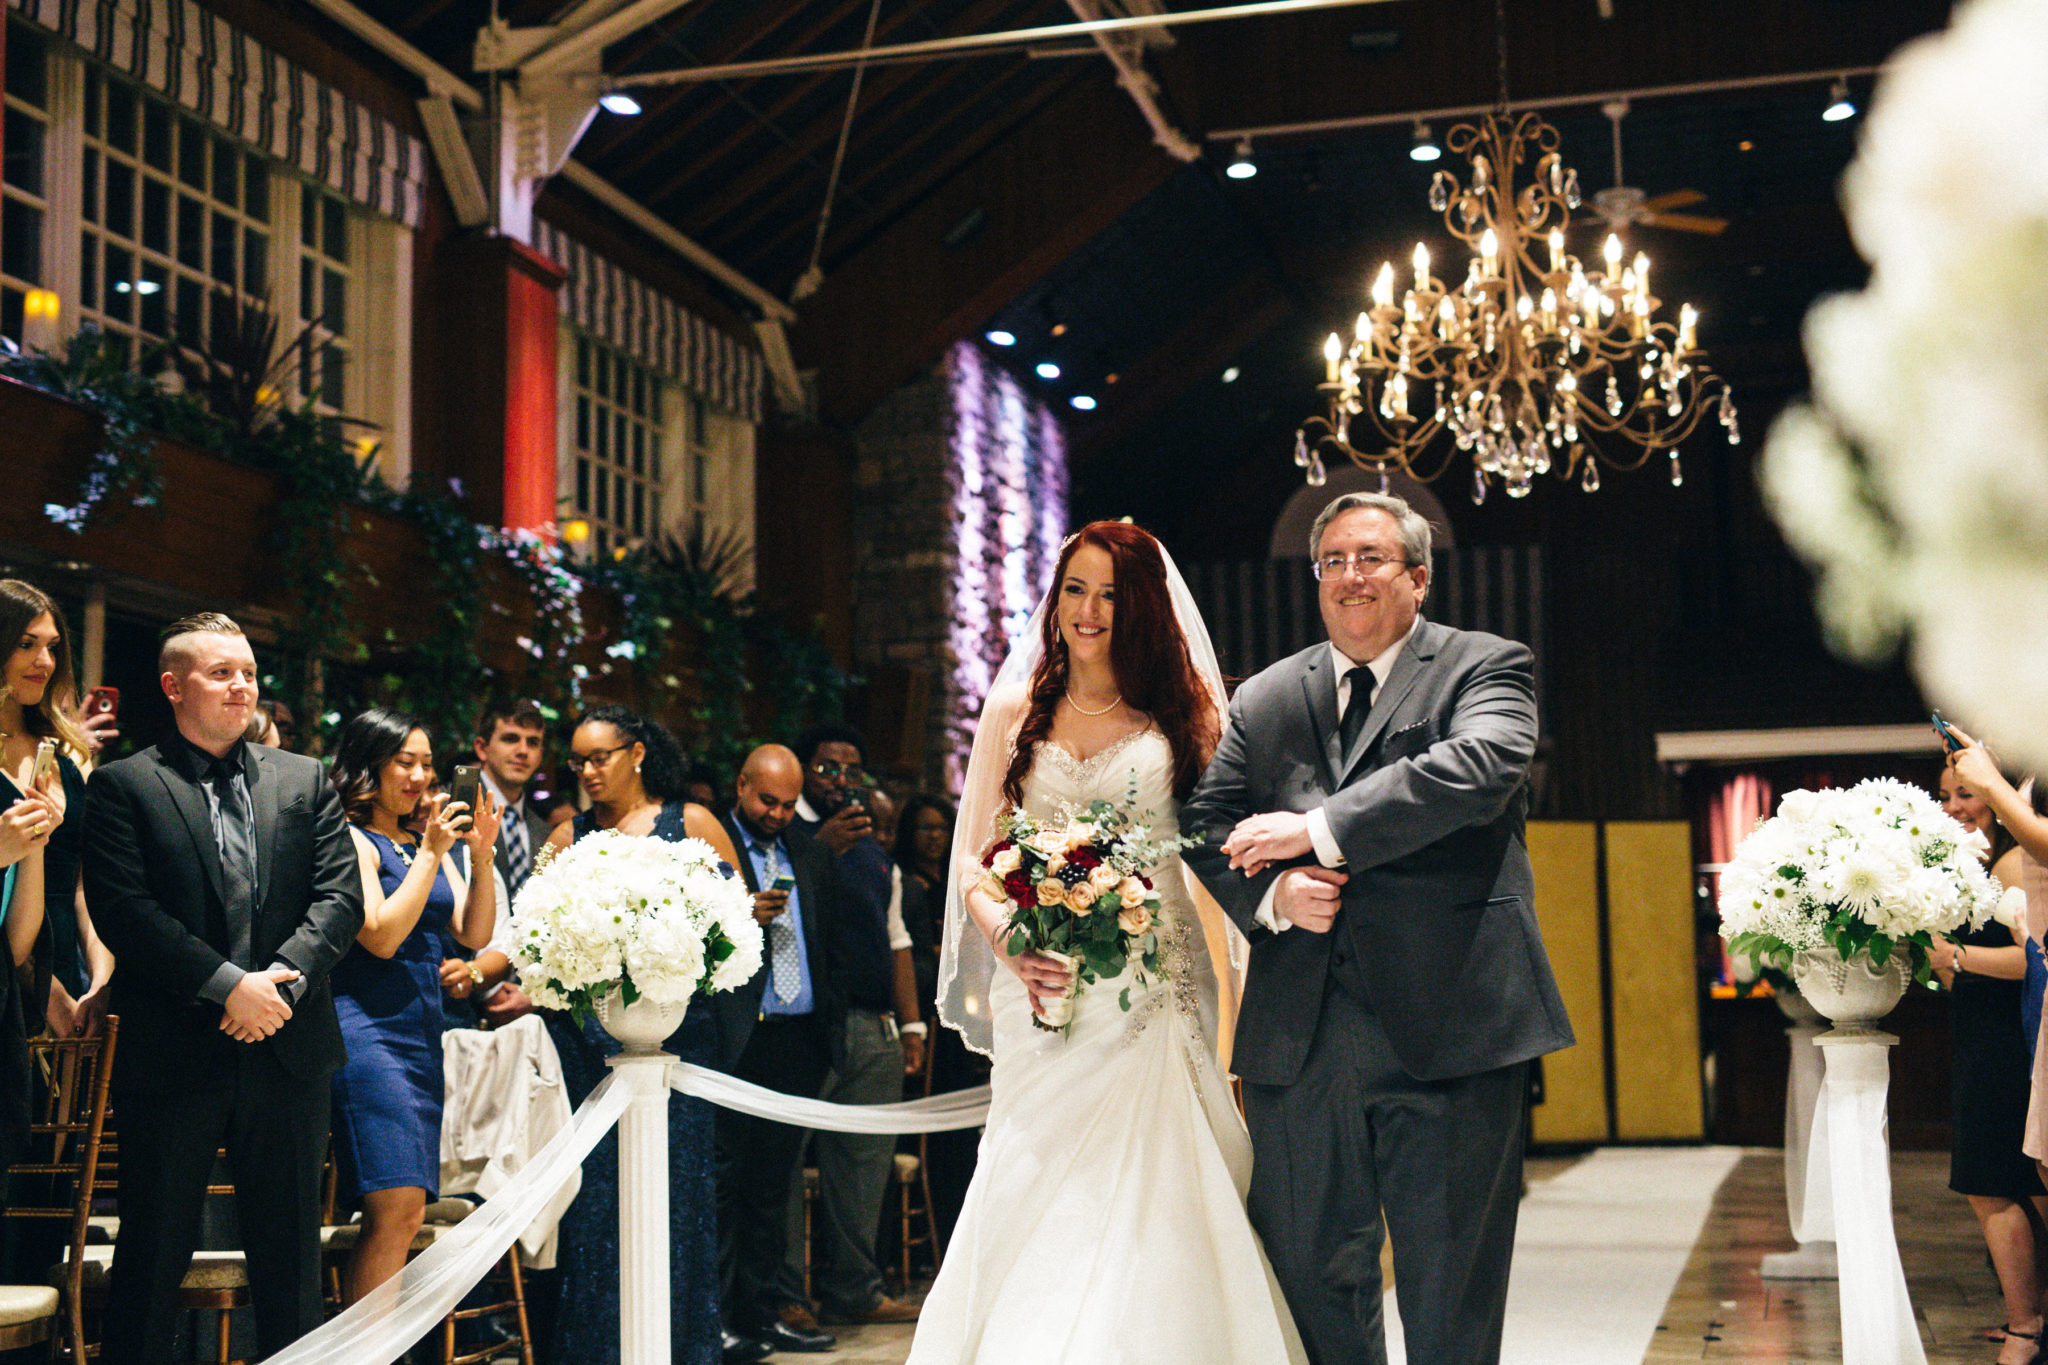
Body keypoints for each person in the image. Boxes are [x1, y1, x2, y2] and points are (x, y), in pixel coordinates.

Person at [1181, 492, 1574, 1365]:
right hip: (1301, 1033)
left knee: (1450, 1289)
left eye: (1371, 558)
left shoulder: (1485, 666)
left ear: (1419, 577)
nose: (1350, 576)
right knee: (1313, 1275)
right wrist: (1276, 897)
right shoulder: (1271, 694)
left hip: (1453, 1023)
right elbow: (1203, 820)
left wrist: (1315, 833)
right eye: (1333, 562)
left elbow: (1480, 766)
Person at [913, 521, 1305, 1363]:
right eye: (1075, 589)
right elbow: (976, 865)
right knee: (1029, 1173)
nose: (1089, 610)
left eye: (1110, 594)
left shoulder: (1185, 711)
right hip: (1043, 981)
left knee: (1158, 1181)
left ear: (1143, 608)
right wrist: (1013, 939)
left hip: (1153, 983)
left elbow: (1219, 848)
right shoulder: (1015, 711)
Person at [82, 612, 363, 1365]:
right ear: (174, 687)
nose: (242, 685)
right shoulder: (124, 785)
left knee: (292, 1267)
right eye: (221, 672)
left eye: (247, 671)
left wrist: (279, 985)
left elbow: (340, 901)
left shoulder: (303, 777)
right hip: (174, 1052)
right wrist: (226, 986)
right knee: (151, 1260)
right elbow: (123, 910)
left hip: (288, 1049)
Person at [543, 704, 742, 1365]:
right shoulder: (566, 833)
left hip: (684, 1033)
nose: (589, 771)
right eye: (578, 761)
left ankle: (679, 1346)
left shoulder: (692, 822)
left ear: (636, 753)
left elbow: (735, 926)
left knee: (676, 1193)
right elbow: (536, 929)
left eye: (600, 756)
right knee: (597, 1201)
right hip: (589, 1045)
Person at [328, 708, 500, 1301]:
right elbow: (379, 934)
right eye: (406, 762)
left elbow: (474, 934)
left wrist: (480, 857)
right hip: (366, 1032)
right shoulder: (352, 839)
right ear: (368, 764)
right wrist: (430, 853)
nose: (421, 776)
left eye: (428, 764)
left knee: (404, 1214)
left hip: (422, 1033)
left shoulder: (421, 840)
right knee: (394, 1210)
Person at [780, 725, 923, 1329]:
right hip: (808, 1022)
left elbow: (896, 939)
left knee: (864, 1165)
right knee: (785, 1161)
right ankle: (785, 1292)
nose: (840, 779)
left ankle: (855, 1288)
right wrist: (818, 847)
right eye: (827, 767)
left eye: (851, 768)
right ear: (805, 770)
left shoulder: (872, 847)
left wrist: (913, 1024)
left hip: (874, 1023)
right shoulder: (787, 831)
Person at [713, 744, 838, 1359]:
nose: (779, 814)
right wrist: (740, 914)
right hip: (742, 1035)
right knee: (726, 1180)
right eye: (768, 800)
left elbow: (827, 935)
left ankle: (763, 1311)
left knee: (773, 1185)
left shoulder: (808, 850)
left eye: (789, 804)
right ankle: (716, 1315)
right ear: (740, 785)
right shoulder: (711, 842)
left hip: (799, 1036)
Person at [1932, 759, 2047, 1364]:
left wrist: (1953, 956)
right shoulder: (1979, 864)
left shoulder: (2009, 863)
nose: (1954, 806)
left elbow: (2034, 959)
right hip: (1986, 1033)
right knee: (2020, 1183)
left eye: (1967, 793)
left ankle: (2025, 1328)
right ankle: (2031, 1321)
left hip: (2007, 1042)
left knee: (1989, 1184)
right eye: (1945, 795)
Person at [0, 581, 114, 1040]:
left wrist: (102, 980)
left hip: (69, 970)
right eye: (26, 644)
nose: (45, 662)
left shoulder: (66, 756)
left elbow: (85, 883)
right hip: (18, 970)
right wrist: (50, 993)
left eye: (52, 647)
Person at [892, 794, 984, 1249]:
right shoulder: (909, 886)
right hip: (930, 1014)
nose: (934, 837)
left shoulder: (953, 880)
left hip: (962, 1015)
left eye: (941, 828)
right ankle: (935, 1236)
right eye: (924, 828)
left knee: (964, 1136)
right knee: (936, 1136)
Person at [437, 701, 552, 1029]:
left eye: (533, 743)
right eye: (511, 738)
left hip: (524, 1001)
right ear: (482, 747)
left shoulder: (544, 832)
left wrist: (536, 991)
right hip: (452, 993)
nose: (523, 751)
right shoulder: (446, 809)